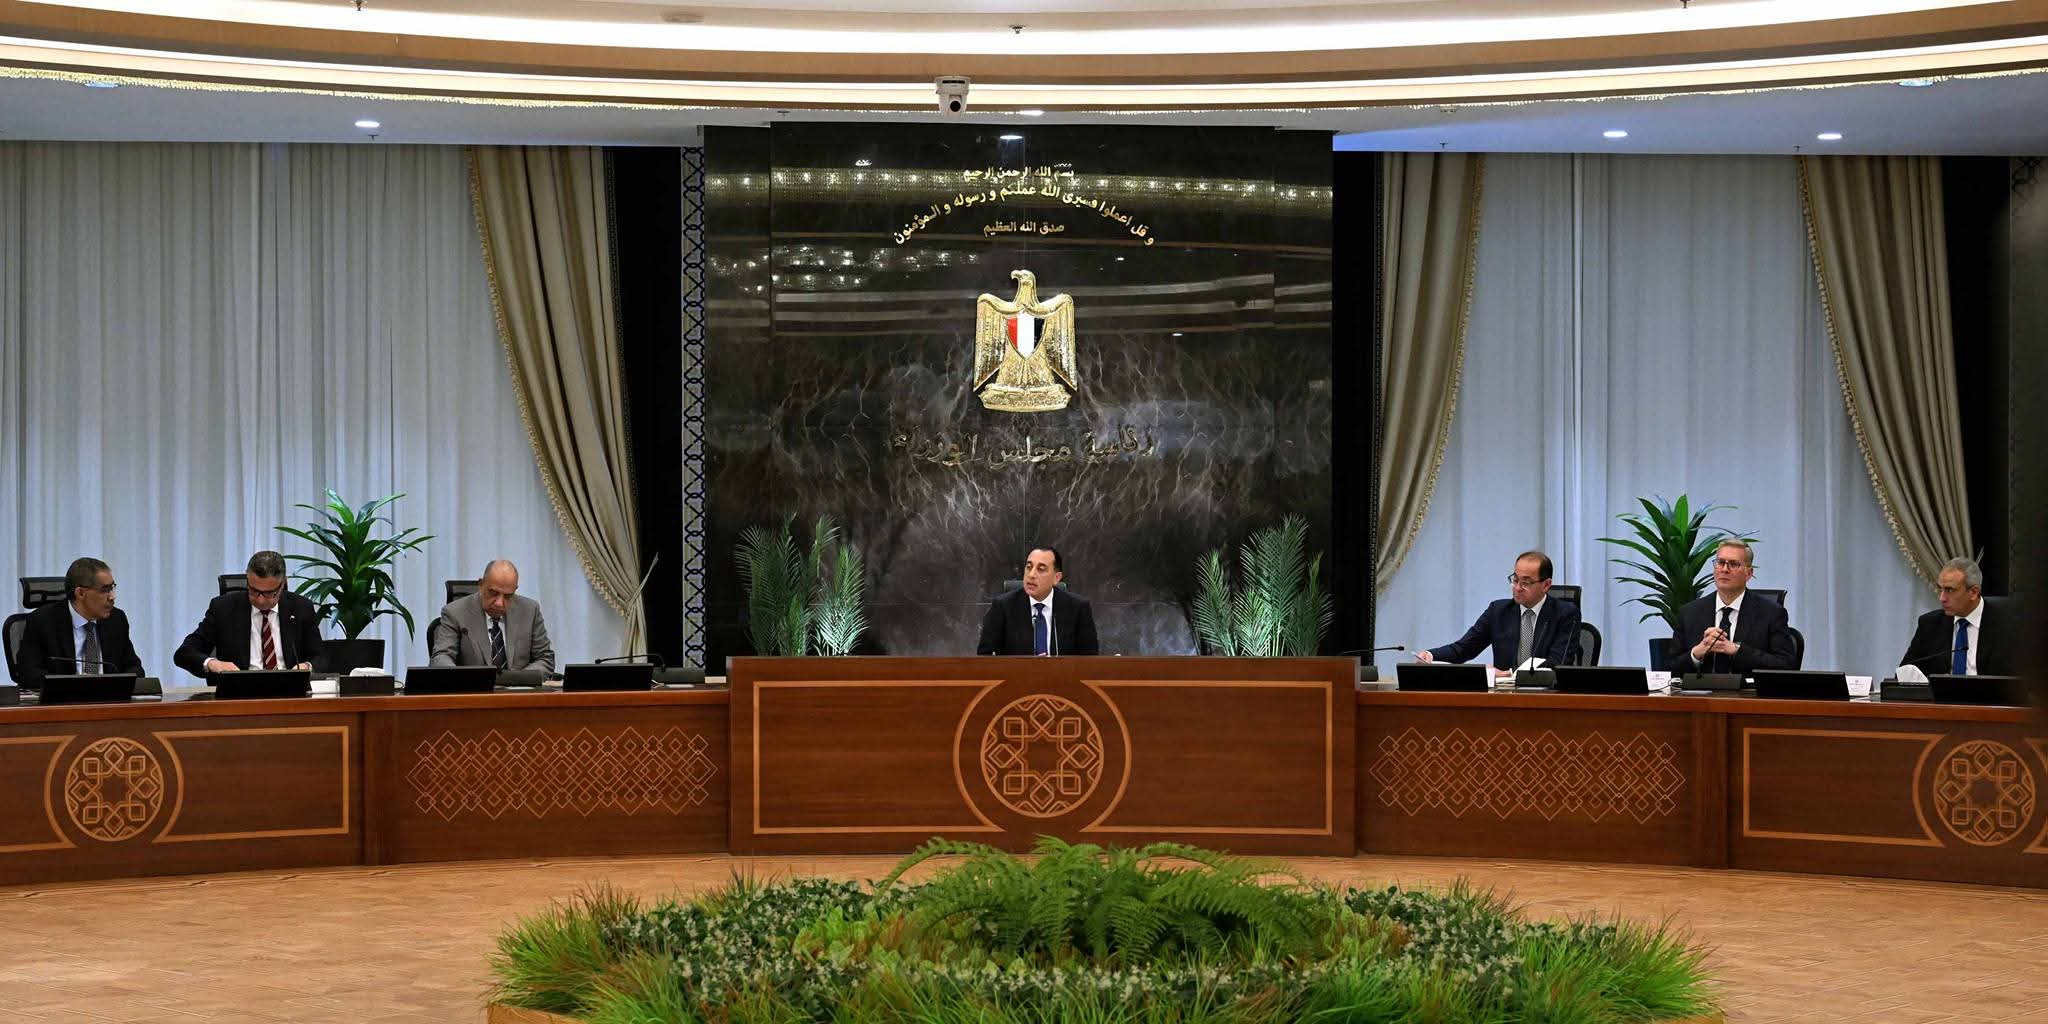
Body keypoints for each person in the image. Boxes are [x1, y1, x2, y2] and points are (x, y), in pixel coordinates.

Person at [1415, 550, 1580, 673]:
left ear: (1546, 585)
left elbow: (1557, 663)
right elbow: (1463, 649)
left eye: (1526, 583)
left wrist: (1509, 673)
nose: (1517, 588)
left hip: (1546, 696)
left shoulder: (1566, 614)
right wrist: (1431, 655)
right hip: (1504, 696)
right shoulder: (1498, 611)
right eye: (1515, 580)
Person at [173, 550, 323, 678]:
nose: (260, 600)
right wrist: (213, 663)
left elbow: (321, 657)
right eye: (253, 590)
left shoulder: (300, 608)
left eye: (269, 593)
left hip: (291, 692)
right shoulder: (223, 609)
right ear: (247, 578)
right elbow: (184, 653)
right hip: (239, 694)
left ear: (283, 583)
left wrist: (306, 667)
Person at [12, 557, 145, 689]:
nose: (112, 596)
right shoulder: (42, 621)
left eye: (112, 588)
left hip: (109, 698)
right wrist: (77, 687)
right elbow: (29, 674)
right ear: (80, 593)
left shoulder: (116, 619)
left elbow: (135, 669)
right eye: (104, 590)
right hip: (65, 699)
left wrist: (112, 686)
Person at [1670, 539, 1797, 674]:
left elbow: (1786, 665)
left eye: (1734, 564)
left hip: (1748, 687)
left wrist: (1737, 650)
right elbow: (1670, 667)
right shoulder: (1689, 613)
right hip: (1702, 687)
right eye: (1720, 562)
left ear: (1749, 573)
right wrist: (1696, 653)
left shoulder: (1771, 613)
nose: (1725, 569)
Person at [429, 560, 554, 672]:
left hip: (519, 689)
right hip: (473, 689)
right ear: (481, 584)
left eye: (508, 596)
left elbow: (545, 658)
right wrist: (462, 680)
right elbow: (441, 657)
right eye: (493, 593)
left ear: (515, 590)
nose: (499, 603)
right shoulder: (455, 612)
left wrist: (519, 679)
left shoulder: (530, 611)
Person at [1899, 557, 2014, 677]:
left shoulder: (2008, 624)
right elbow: (1905, 674)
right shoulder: (1930, 625)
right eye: (1941, 589)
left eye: (1949, 590)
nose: (1942, 598)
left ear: (1974, 592)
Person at [977, 547, 1099, 656]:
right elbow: (985, 657)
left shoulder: (1078, 608)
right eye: (1029, 567)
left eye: (1041, 569)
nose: (1031, 575)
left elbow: (1090, 660)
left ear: (1056, 578)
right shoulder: (1003, 607)